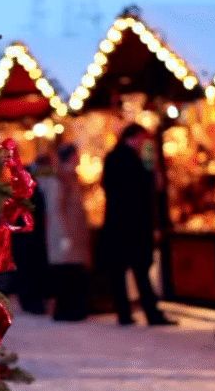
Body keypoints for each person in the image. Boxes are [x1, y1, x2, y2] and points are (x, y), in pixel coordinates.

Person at [101, 123, 175, 326]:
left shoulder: (112, 158)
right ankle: (151, 312)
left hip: (117, 223)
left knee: (120, 272)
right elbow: (146, 191)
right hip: (134, 224)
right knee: (140, 270)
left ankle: (125, 313)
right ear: (134, 137)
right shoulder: (135, 160)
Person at [37, 143, 92, 321]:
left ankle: (73, 309)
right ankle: (65, 310)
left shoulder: (70, 177)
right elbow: (55, 208)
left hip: (73, 233)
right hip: (65, 234)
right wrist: (63, 234)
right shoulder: (60, 178)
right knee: (65, 272)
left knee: (73, 271)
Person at [11, 154, 52, 315]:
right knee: (29, 267)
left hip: (29, 231)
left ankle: (31, 301)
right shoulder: (27, 179)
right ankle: (31, 301)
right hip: (27, 232)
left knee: (30, 267)